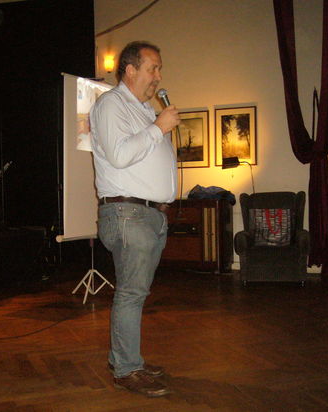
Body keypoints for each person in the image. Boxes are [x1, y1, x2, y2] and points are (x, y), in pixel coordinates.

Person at [89, 41, 181, 397]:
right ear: (129, 70)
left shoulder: (142, 110)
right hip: (128, 213)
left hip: (149, 215)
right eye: (152, 68)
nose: (158, 76)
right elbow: (119, 155)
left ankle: (126, 360)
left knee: (136, 293)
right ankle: (127, 370)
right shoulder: (111, 105)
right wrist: (159, 127)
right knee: (130, 294)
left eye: (159, 69)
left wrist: (156, 125)